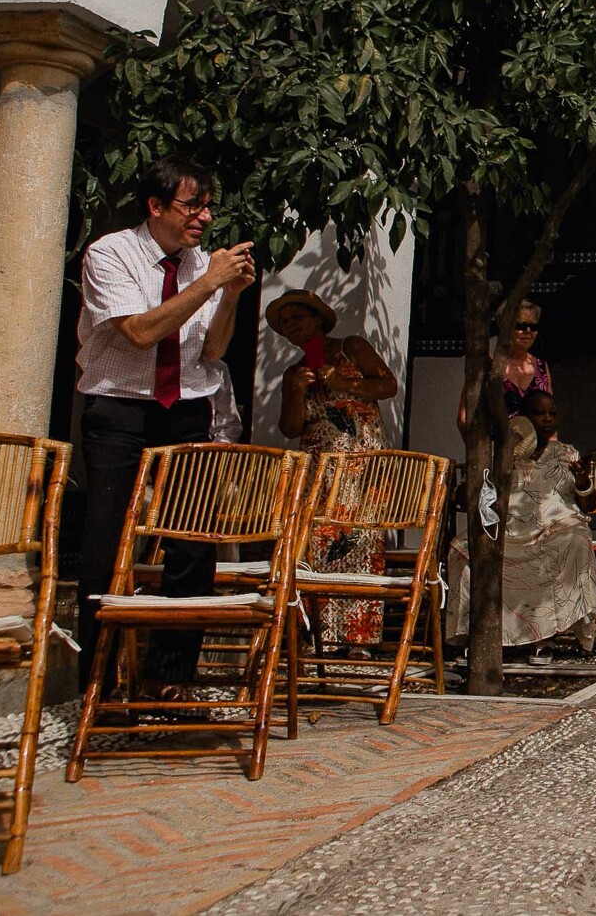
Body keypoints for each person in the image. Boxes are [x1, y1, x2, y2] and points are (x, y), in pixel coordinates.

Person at [73, 155, 255, 691]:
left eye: (207, 206)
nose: (203, 217)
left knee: (192, 545)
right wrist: (209, 283)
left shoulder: (206, 265)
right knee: (106, 545)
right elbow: (141, 333)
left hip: (188, 409)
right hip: (121, 409)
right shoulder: (111, 253)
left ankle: (170, 680)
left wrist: (231, 296)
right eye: (191, 205)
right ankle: (100, 686)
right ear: (156, 206)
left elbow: (214, 350)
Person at [268, 287, 401, 650]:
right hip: (318, 471)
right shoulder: (294, 372)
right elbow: (291, 428)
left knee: (358, 544)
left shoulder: (350, 348)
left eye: (298, 317)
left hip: (360, 465)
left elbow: (387, 384)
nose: (291, 325)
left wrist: (343, 382)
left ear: (317, 320)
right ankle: (319, 639)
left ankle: (357, 639)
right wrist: (296, 392)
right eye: (284, 323)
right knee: (315, 547)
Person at [445, 392, 596, 659]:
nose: (548, 419)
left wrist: (583, 482)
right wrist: (485, 478)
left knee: (576, 541)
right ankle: (479, 636)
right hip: (507, 533)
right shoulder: (498, 453)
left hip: (555, 530)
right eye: (540, 414)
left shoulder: (566, 454)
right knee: (462, 548)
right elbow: (463, 496)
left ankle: (545, 639)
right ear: (522, 418)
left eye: (552, 413)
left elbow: (589, 506)